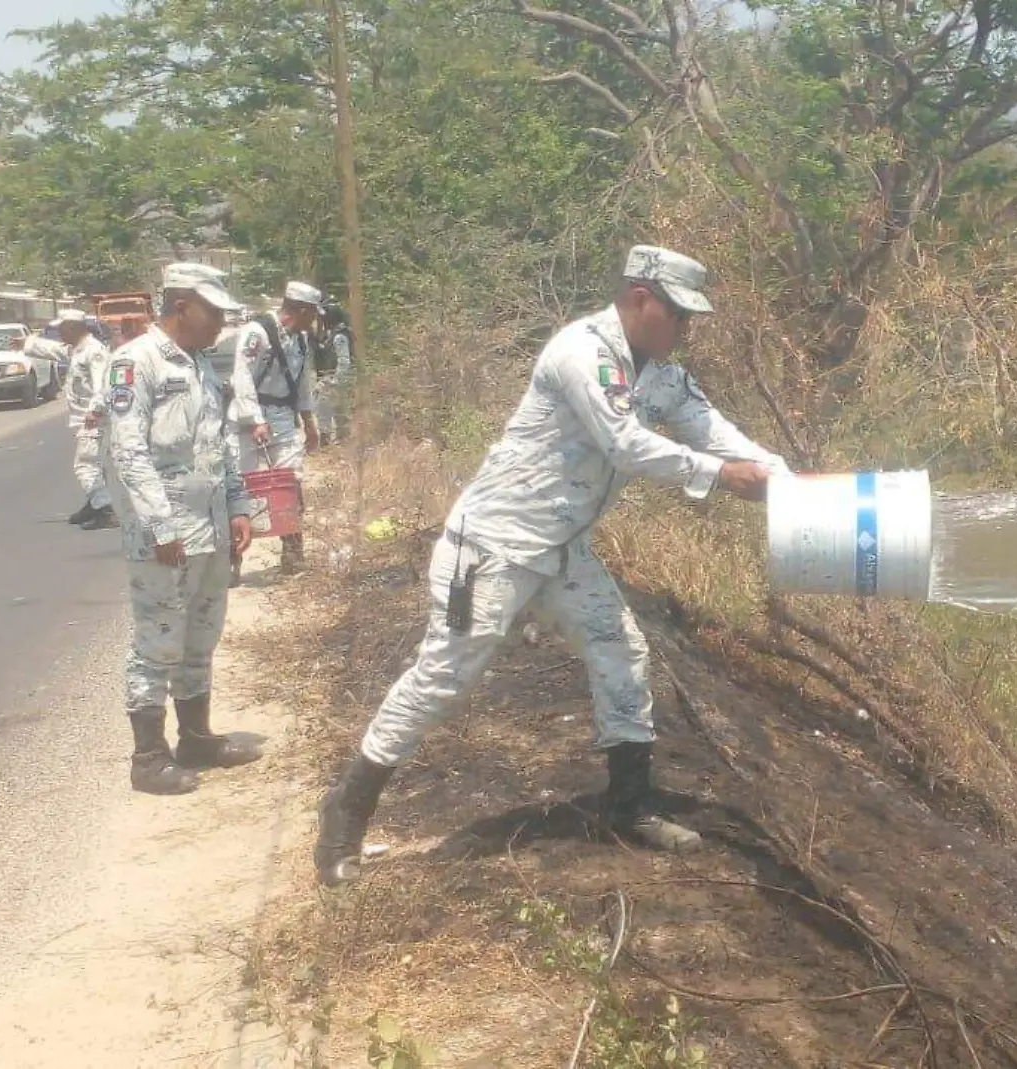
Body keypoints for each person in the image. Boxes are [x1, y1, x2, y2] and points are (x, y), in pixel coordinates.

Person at [314, 244, 789, 887]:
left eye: (690, 319)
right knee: (445, 677)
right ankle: (345, 815)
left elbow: (716, 431)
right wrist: (720, 477)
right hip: (493, 545)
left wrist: (788, 481)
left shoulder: (664, 377)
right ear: (641, 299)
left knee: (621, 649)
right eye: (678, 315)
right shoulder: (582, 352)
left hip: (563, 550)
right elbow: (625, 445)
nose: (685, 329)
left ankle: (628, 806)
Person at [104, 262, 263, 795]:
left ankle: (196, 737)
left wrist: (239, 505)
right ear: (181, 306)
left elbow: (219, 446)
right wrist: (158, 523)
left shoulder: (201, 365)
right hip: (165, 537)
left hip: (211, 529)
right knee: (157, 643)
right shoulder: (134, 363)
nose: (220, 322)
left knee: (201, 638)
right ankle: (148, 758)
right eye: (212, 311)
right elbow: (128, 451)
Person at [228, 280, 322, 576]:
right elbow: (241, 377)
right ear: (302, 310)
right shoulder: (257, 332)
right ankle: (233, 559)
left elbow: (303, 383)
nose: (315, 319)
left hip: (282, 417)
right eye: (312, 313)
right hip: (248, 419)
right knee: (240, 488)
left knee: (291, 484)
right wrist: (255, 420)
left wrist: (309, 421)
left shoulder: (302, 340)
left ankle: (293, 556)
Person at [59, 309, 116, 530]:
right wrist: (29, 344)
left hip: (93, 417)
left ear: (73, 328)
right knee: (95, 464)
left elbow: (102, 383)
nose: (59, 333)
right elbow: (55, 351)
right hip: (83, 416)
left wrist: (96, 409)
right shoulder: (78, 350)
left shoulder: (94, 352)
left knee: (85, 464)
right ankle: (94, 503)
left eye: (62, 328)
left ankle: (104, 509)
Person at [316, 303, 354, 445]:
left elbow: (344, 361)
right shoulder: (335, 334)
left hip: (334, 379)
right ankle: (341, 440)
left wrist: (335, 381)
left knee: (324, 408)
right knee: (339, 410)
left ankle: (326, 440)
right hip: (335, 378)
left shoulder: (339, 337)